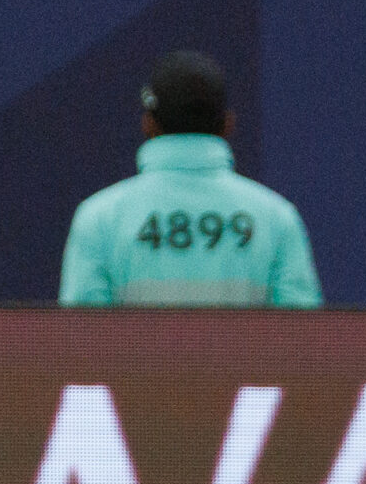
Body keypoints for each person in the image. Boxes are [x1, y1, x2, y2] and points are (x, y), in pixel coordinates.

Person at [59, 51, 322, 307]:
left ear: (148, 124)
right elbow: (302, 333)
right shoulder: (277, 219)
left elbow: (80, 334)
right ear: (228, 124)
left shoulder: (99, 219)